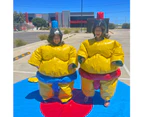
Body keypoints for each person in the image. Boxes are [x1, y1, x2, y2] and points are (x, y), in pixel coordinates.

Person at [78, 17, 124, 107]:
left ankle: (107, 98)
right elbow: (83, 51)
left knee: (107, 87)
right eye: (96, 30)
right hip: (89, 71)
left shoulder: (112, 43)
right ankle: (87, 95)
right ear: (93, 31)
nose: (97, 32)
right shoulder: (87, 43)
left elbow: (117, 52)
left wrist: (117, 60)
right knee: (87, 86)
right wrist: (82, 57)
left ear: (103, 31)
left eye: (99, 30)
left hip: (107, 72)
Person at [28, 21, 78, 104]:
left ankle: (65, 98)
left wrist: (72, 63)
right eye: (54, 38)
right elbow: (36, 55)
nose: (56, 40)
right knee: (45, 86)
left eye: (58, 38)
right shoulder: (43, 48)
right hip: (47, 73)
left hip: (64, 73)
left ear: (61, 38)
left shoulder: (68, 48)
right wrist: (36, 64)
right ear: (51, 38)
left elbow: (73, 55)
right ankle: (46, 97)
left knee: (65, 86)